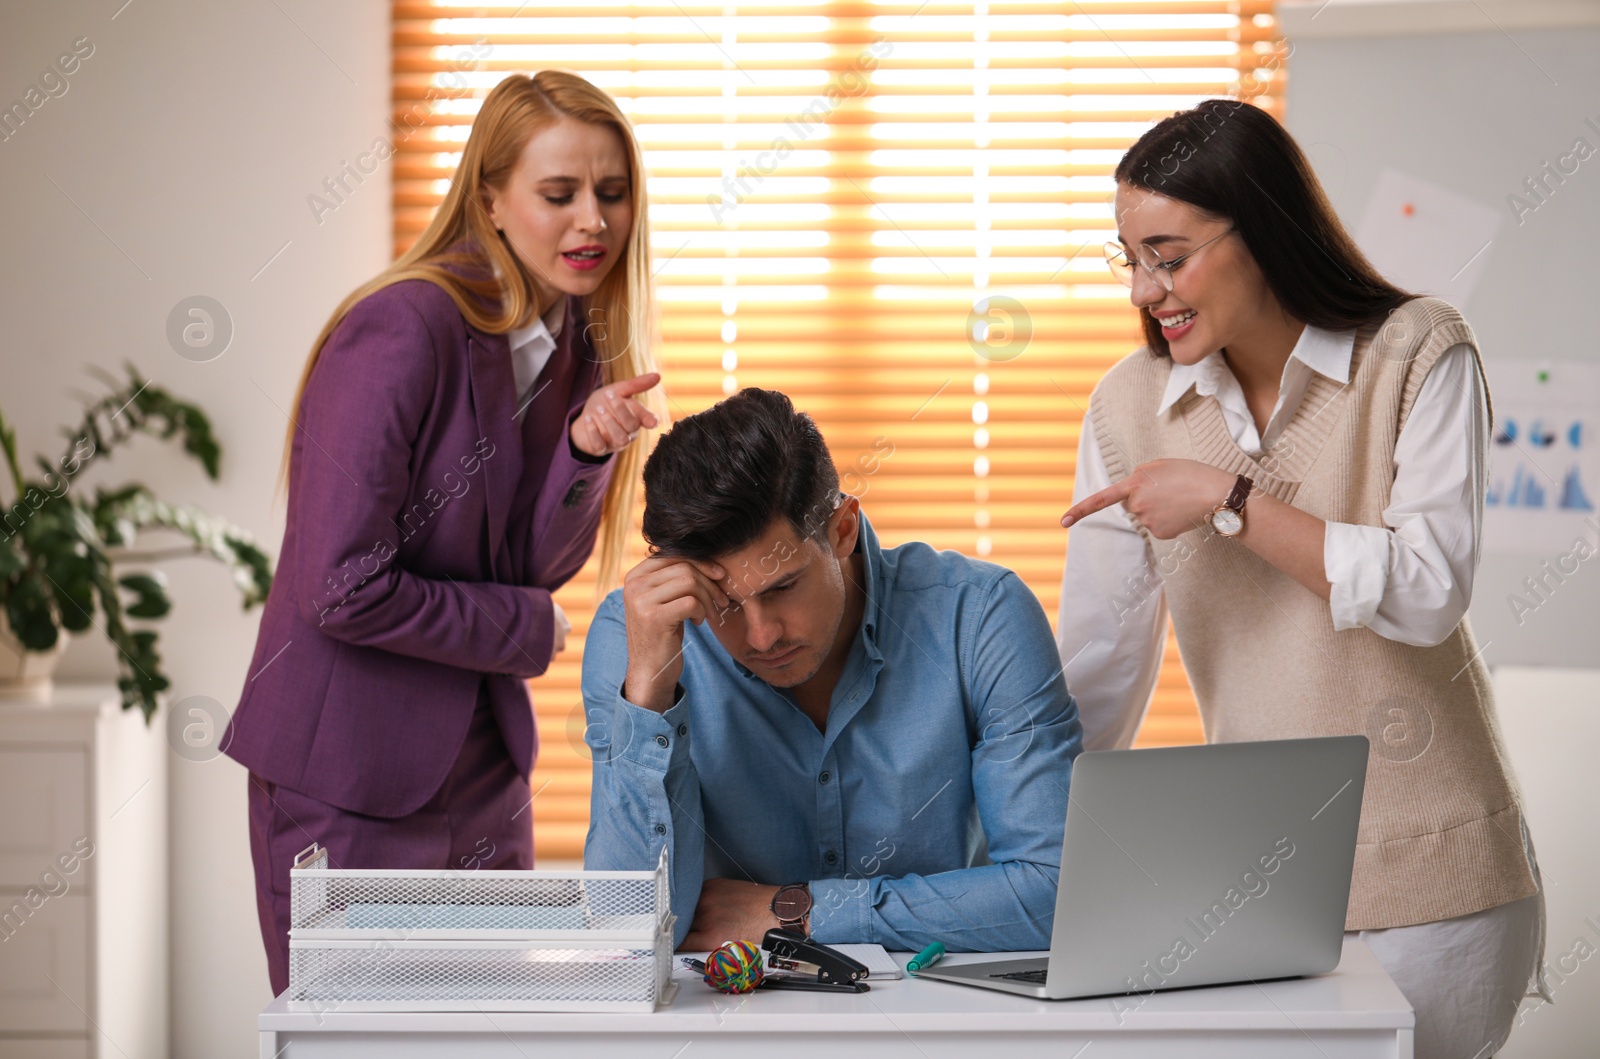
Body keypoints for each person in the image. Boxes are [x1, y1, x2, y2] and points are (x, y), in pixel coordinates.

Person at [1056, 98, 1545, 1059]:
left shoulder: (1417, 352)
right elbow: (1099, 673)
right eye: (1131, 259)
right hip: (1261, 891)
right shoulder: (1126, 407)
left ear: (1265, 229)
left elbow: (1425, 587)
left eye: (1171, 253)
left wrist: (1227, 496)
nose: (1146, 290)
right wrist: (1009, 857)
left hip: (1443, 889)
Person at [224, 71, 664, 994]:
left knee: (487, 1039)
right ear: (491, 200)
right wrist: (527, 631)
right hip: (349, 778)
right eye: (560, 195)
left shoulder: (581, 342)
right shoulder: (401, 327)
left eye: (612, 193)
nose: (594, 220)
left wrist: (584, 453)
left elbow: (531, 564)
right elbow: (341, 584)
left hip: (483, 776)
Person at [582, 387, 1083, 951]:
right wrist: (648, 697)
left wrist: (798, 914)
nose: (762, 635)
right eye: (723, 603)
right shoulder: (639, 636)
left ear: (842, 530)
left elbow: (1059, 893)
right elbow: (625, 933)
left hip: (942, 1022)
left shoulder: (980, 616)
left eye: (783, 587)